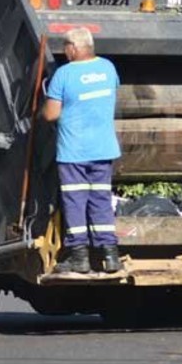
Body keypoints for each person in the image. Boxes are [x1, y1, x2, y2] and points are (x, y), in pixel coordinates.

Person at [42, 27, 122, 275]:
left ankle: (79, 257)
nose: (65, 52)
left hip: (74, 152)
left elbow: (51, 114)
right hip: (103, 149)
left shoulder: (64, 74)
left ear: (73, 48)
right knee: (101, 200)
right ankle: (110, 256)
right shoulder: (108, 68)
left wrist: (41, 110)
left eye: (66, 48)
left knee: (76, 202)